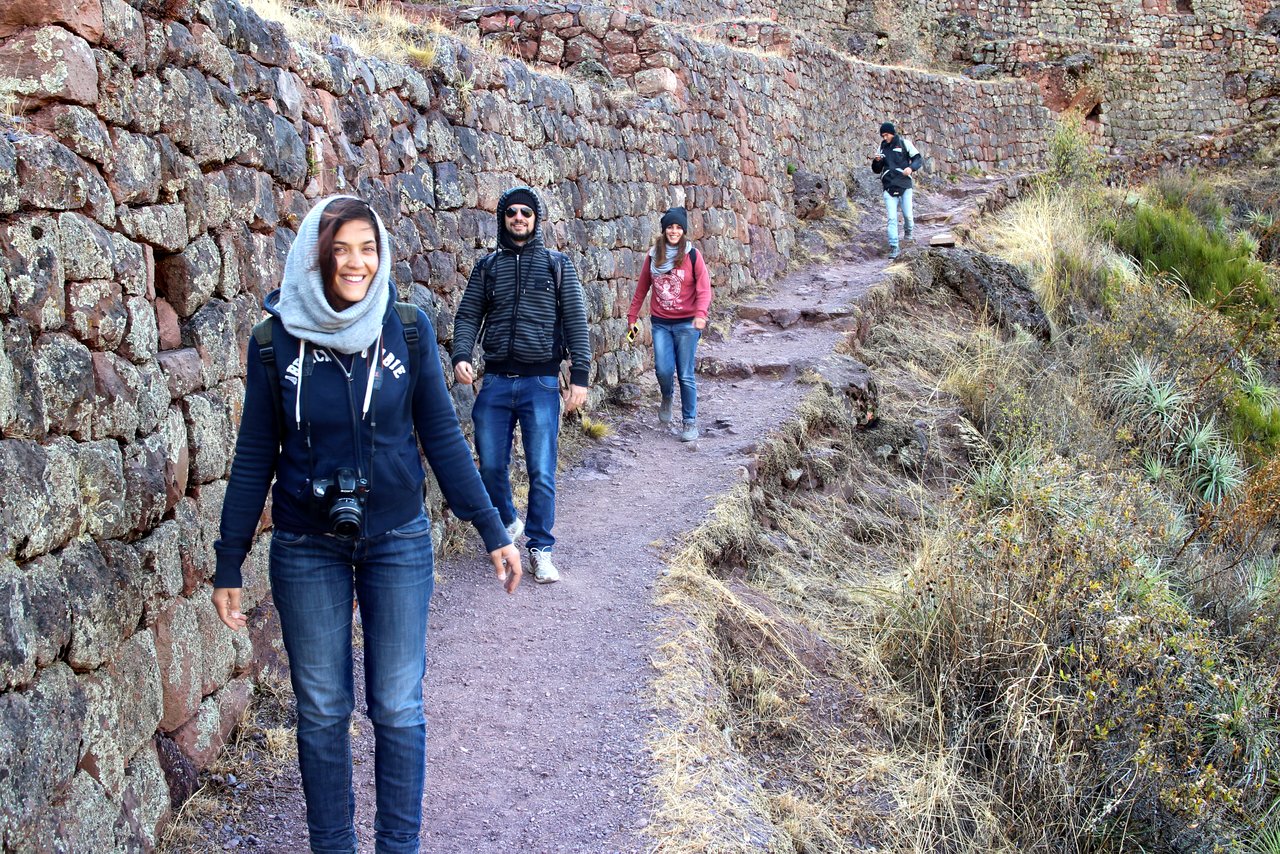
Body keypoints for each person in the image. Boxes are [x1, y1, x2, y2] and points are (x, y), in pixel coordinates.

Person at [211, 195, 522, 854]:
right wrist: (228, 557)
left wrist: (493, 528)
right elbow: (253, 457)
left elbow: (441, 437)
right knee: (323, 712)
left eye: (367, 247)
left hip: (397, 540)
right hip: (304, 544)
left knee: (399, 706)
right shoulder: (274, 342)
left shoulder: (406, 330)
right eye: (342, 249)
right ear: (317, 255)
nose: (356, 262)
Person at [451, 186, 591, 585]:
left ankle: (541, 549)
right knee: (491, 465)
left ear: (536, 219)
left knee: (542, 471)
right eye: (511, 212)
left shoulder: (556, 265)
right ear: (502, 218)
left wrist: (578, 378)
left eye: (525, 213)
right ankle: (509, 520)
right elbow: (467, 316)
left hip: (541, 384)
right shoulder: (487, 267)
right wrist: (462, 354)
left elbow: (577, 324)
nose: (518, 218)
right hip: (494, 381)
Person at [626, 206, 712, 442]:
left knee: (685, 374)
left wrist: (701, 314)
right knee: (663, 370)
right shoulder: (654, 256)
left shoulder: (692, 256)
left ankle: (689, 422)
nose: (674, 231)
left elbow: (704, 289)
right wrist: (632, 317)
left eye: (678, 227)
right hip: (661, 323)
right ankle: (666, 396)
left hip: (687, 324)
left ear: (683, 231)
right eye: (670, 227)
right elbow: (642, 288)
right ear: (664, 230)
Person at [871, 121, 923, 259]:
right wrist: (877, 161)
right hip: (888, 185)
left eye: (886, 135)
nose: (884, 138)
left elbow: (918, 159)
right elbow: (876, 170)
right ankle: (894, 247)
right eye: (883, 135)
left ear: (892, 133)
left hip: (905, 184)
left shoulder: (905, 144)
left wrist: (910, 168)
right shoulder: (881, 148)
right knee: (892, 219)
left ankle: (909, 235)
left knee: (908, 215)